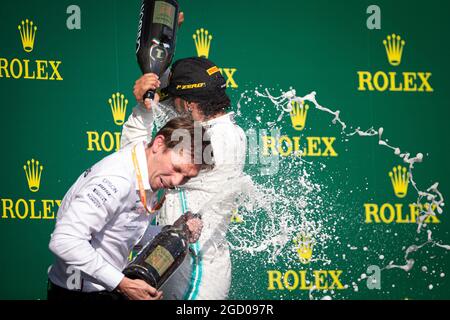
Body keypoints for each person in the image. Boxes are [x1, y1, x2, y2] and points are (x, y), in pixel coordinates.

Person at [121, 57, 247, 300]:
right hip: (183, 261)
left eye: (173, 99)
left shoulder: (209, 142)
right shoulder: (225, 132)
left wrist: (142, 108)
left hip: (194, 273)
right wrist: (159, 58)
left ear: (188, 104)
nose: (168, 104)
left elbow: (135, 160)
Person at [47, 117, 210, 301]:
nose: (175, 182)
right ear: (158, 143)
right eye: (176, 168)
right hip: (77, 293)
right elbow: (65, 240)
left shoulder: (146, 168)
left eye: (186, 177)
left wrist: (175, 231)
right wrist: (123, 284)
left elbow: (121, 231)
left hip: (105, 290)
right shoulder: (118, 179)